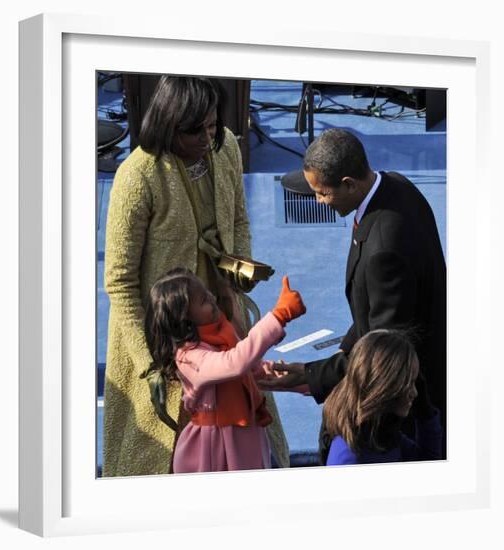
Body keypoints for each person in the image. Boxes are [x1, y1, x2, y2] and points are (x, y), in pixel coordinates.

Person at [102, 76, 290, 477]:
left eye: (211, 125)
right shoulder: (137, 176)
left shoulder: (225, 149)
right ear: (170, 126)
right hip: (162, 335)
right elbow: (119, 281)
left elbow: (238, 219)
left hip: (220, 315)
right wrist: (150, 364)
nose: (208, 137)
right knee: (162, 456)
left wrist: (237, 275)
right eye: (196, 131)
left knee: (240, 425)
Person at [259, 128, 447, 460]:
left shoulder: (383, 252)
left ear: (348, 183)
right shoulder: (396, 187)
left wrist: (310, 376)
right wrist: (316, 370)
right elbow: (369, 319)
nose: (317, 201)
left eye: (322, 193)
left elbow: (383, 353)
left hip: (406, 407)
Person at [144, 269, 306, 472]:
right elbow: (235, 363)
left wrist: (299, 379)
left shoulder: (219, 334)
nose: (212, 298)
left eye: (207, 293)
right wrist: (279, 316)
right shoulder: (189, 358)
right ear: (185, 320)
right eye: (203, 300)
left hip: (246, 435)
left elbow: (249, 371)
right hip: (214, 450)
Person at [323, 329, 442, 465]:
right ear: (383, 386)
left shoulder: (380, 432)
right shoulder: (349, 458)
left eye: (415, 382)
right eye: (407, 384)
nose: (415, 393)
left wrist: (425, 414)